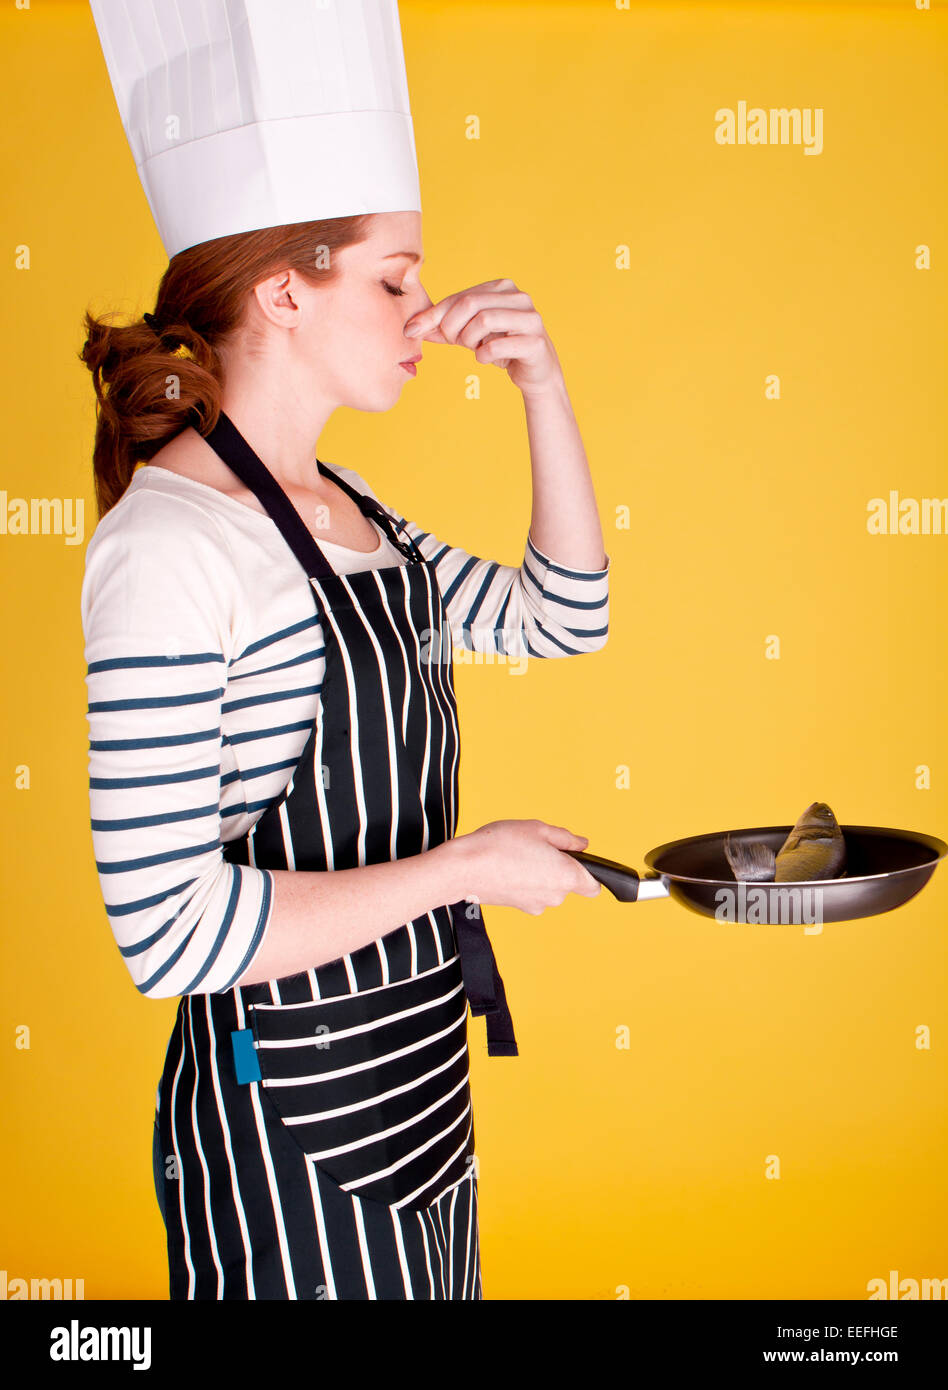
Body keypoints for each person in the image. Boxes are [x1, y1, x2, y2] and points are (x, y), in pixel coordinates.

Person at [83, 1, 609, 1302]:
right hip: (283, 1144)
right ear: (283, 293)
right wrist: (459, 870)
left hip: (421, 1105)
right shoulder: (174, 546)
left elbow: (564, 616)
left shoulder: (358, 512)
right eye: (393, 280)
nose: (424, 311)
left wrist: (543, 387)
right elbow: (168, 933)